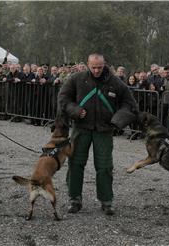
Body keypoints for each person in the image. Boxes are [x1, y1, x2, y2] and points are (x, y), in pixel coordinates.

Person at [58, 53, 137, 216]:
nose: (96, 70)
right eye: (93, 67)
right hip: (81, 128)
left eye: (99, 67)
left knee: (105, 167)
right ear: (88, 64)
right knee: (75, 164)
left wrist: (118, 120)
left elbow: (129, 103)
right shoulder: (76, 79)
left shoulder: (116, 82)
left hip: (104, 130)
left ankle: (106, 201)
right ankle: (74, 199)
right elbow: (64, 98)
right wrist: (75, 110)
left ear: (104, 64)